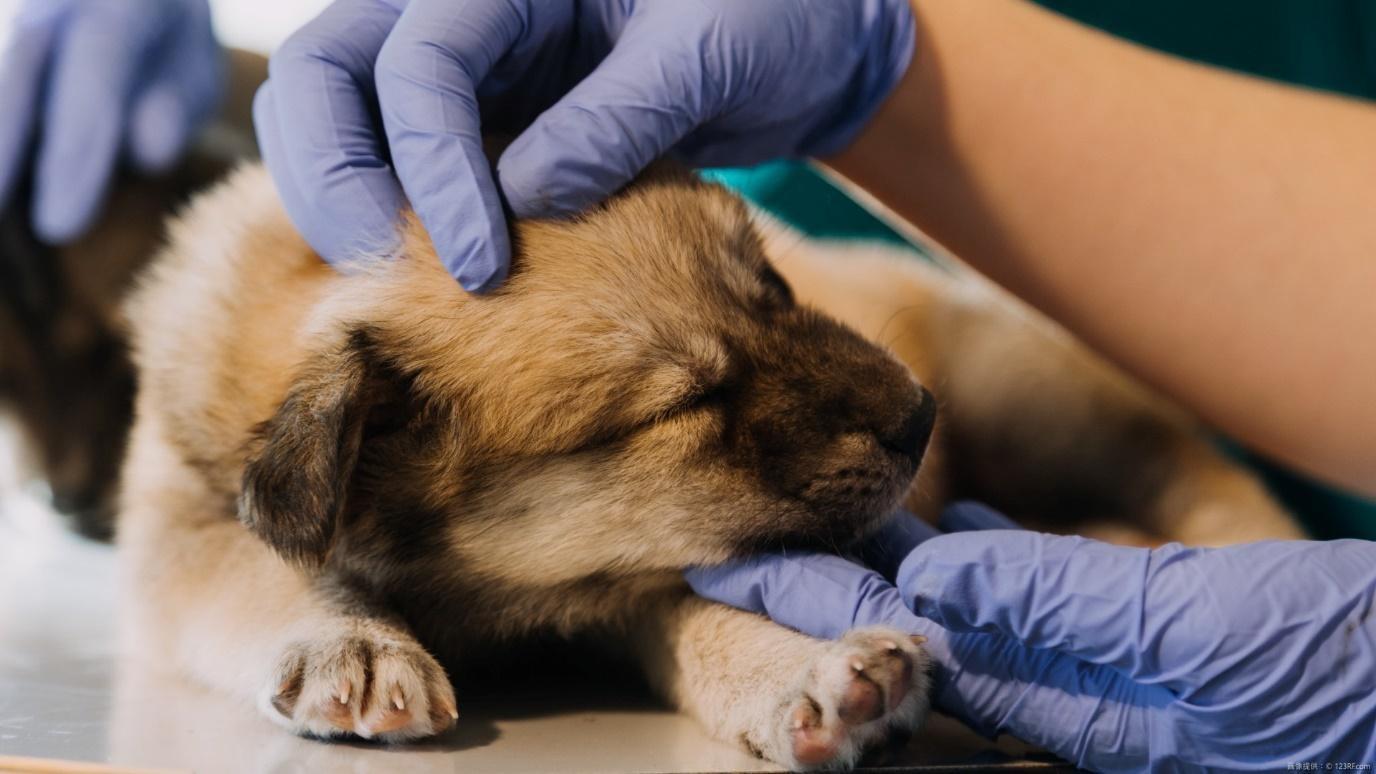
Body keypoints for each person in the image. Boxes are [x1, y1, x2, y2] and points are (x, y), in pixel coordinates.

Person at [2, 0, 1374, 768]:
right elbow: (188, 559)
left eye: (762, 274)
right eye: (696, 405)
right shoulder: (288, 406)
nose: (889, 400)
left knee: (1045, 401)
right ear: (350, 466)